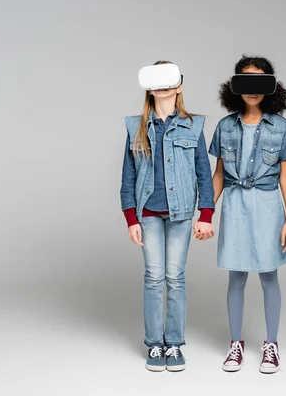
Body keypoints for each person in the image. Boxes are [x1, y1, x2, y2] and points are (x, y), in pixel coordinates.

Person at [120, 61, 216, 372]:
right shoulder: (136, 127)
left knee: (175, 278)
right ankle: (154, 345)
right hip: (147, 213)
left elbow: (204, 173)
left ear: (179, 85)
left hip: (181, 214)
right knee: (153, 278)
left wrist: (206, 215)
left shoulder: (194, 126)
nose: (162, 86)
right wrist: (131, 219)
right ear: (149, 87)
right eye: (156, 81)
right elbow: (128, 177)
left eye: (168, 80)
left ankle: (174, 344)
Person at [208, 55, 286, 373]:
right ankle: (236, 344)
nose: (252, 90)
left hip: (268, 205)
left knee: (269, 275)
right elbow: (218, 174)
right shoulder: (224, 127)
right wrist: (206, 212)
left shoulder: (282, 127)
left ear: (271, 87)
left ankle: (270, 344)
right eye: (246, 81)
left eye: (259, 82)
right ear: (235, 87)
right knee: (236, 275)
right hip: (234, 204)